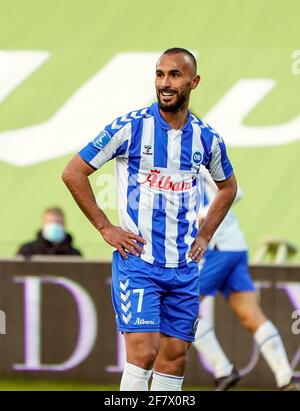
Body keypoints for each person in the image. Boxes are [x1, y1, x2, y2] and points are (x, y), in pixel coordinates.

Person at [62, 47, 237, 391]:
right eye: (160, 74)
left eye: (174, 75)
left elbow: (227, 187)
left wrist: (204, 235)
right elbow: (73, 172)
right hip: (138, 262)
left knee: (175, 357)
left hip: (183, 266)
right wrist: (105, 227)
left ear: (194, 81)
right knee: (143, 353)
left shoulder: (207, 138)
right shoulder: (129, 128)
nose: (165, 83)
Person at [193, 167, 300, 391]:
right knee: (250, 314)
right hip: (234, 247)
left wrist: (203, 213)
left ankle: (223, 370)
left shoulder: (195, 157)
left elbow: (235, 191)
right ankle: (285, 378)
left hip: (216, 249)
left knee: (181, 308)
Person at [17, 207, 81, 257]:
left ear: (64, 225)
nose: (54, 225)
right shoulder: (27, 251)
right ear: (42, 225)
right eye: (50, 222)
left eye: (58, 222)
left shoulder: (74, 254)